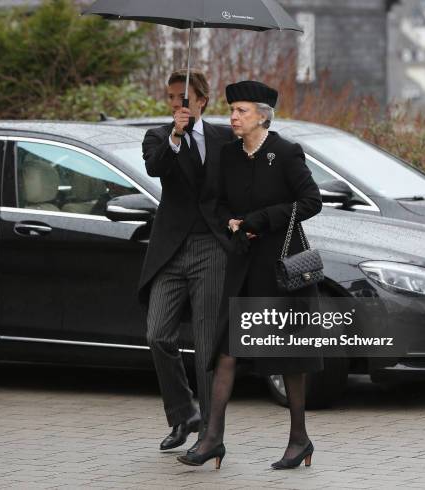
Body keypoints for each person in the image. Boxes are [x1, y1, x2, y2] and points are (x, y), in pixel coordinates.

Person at [177, 81, 323, 470]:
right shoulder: (228, 155)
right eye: (232, 111)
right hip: (243, 264)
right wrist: (230, 223)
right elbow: (215, 201)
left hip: (279, 267)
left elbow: (311, 201)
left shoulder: (286, 152)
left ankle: (299, 439)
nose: (233, 117)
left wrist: (260, 220)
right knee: (227, 351)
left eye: (241, 111)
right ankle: (212, 439)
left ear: (262, 115)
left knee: (289, 357)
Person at [138, 69, 235, 452]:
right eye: (172, 97)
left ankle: (212, 435)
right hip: (170, 250)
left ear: (202, 100)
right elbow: (155, 168)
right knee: (157, 334)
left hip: (212, 247)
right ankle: (184, 414)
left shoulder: (225, 138)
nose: (177, 103)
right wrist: (176, 136)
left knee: (208, 342)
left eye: (184, 97)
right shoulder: (159, 138)